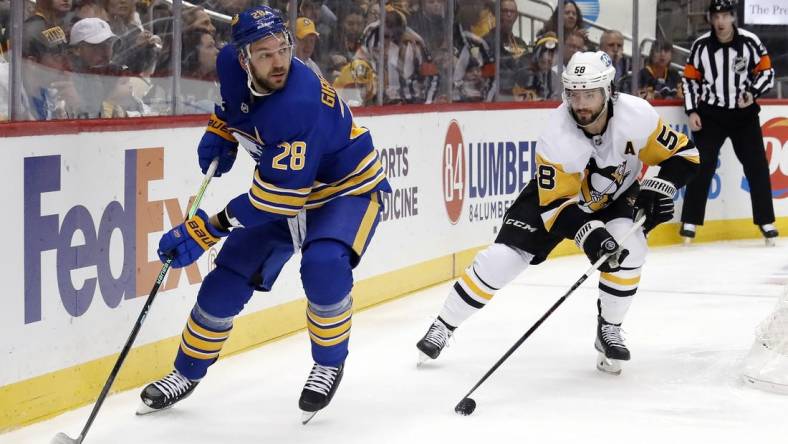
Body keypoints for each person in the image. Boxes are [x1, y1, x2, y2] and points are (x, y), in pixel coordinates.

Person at [136, 5, 390, 422]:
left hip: (344, 190)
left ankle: (328, 363)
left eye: (283, 49)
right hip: (287, 187)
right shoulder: (228, 65)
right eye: (265, 54)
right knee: (226, 280)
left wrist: (207, 228)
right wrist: (222, 130)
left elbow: (279, 202)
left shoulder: (298, 103)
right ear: (243, 57)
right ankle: (185, 372)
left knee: (324, 266)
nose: (279, 62)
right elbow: (233, 104)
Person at [416, 51, 699, 375]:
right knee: (502, 259)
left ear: (608, 91)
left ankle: (608, 328)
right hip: (558, 201)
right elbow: (555, 208)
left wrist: (656, 189)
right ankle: (444, 325)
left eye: (589, 94)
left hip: (615, 196)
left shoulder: (637, 116)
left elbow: (685, 156)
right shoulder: (557, 134)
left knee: (631, 248)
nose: (581, 103)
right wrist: (592, 237)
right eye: (574, 94)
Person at [680, 0, 778, 244]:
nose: (721, 21)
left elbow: (767, 72)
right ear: (710, 19)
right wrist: (692, 111)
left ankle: (766, 221)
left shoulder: (750, 42)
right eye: (716, 16)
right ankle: (690, 221)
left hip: (743, 115)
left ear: (733, 17)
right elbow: (690, 80)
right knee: (701, 166)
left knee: (757, 166)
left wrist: (752, 92)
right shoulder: (701, 45)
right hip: (711, 114)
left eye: (725, 16)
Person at [484, 0, 527, 101]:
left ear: (516, 16)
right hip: (496, 96)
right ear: (497, 14)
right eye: (504, 11)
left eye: (512, 12)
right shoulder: (486, 41)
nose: (508, 14)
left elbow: (527, 70)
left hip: (519, 96)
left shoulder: (520, 43)